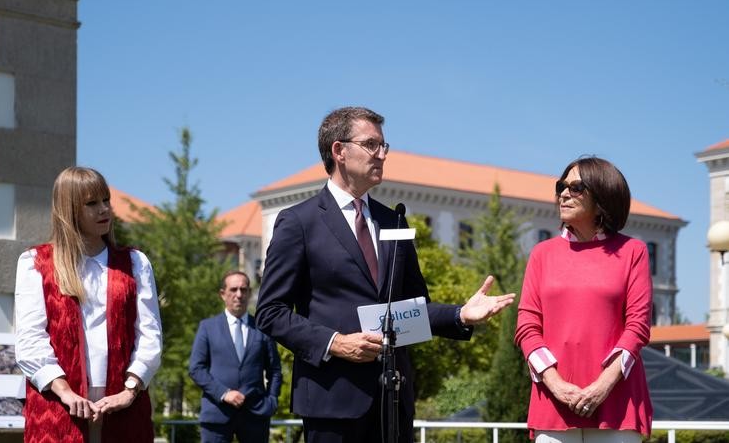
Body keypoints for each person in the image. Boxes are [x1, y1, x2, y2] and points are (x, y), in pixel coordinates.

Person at [255, 106, 516, 443]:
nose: (382, 155)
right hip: (333, 400)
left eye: (384, 146)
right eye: (371, 145)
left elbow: (412, 306)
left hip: (393, 399)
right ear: (339, 151)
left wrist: (459, 314)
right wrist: (335, 343)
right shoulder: (299, 222)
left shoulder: (394, 221)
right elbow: (270, 312)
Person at [14, 166, 162, 443]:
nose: (104, 209)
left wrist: (129, 390)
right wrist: (64, 391)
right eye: (92, 203)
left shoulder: (135, 263)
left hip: (124, 404)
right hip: (58, 404)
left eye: (106, 200)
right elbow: (30, 338)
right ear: (69, 210)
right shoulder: (36, 263)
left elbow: (150, 334)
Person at [514, 157, 653, 442]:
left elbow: (638, 327)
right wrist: (556, 385)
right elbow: (527, 326)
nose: (563, 193)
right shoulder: (542, 254)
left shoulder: (633, 251)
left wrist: (602, 386)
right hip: (553, 403)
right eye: (561, 186)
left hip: (617, 402)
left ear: (602, 197)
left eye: (575, 187)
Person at [189, 271, 282, 443]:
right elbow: (196, 369)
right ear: (223, 294)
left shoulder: (262, 329)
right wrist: (223, 393)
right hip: (217, 413)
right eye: (233, 289)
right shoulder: (207, 328)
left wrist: (272, 400)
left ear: (250, 293)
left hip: (256, 415)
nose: (239, 295)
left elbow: (275, 370)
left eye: (243, 290)